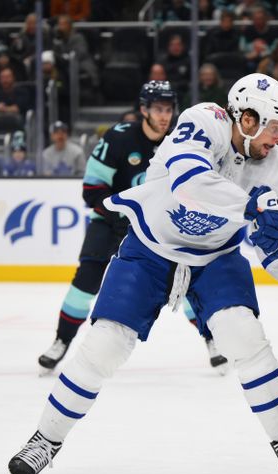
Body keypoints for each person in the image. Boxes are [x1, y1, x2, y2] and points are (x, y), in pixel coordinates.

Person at [8, 73, 278, 474]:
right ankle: (45, 440)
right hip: (149, 249)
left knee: (246, 339)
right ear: (247, 119)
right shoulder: (205, 120)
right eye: (273, 126)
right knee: (104, 344)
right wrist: (252, 206)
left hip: (216, 259)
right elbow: (189, 183)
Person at [36, 81, 177, 373]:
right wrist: (122, 215)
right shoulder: (118, 138)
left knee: (182, 278)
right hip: (110, 223)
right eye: (158, 109)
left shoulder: (178, 142)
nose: (165, 116)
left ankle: (211, 339)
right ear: (143, 110)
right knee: (86, 279)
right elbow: (92, 189)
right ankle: (61, 341)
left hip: (154, 229)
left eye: (169, 109)